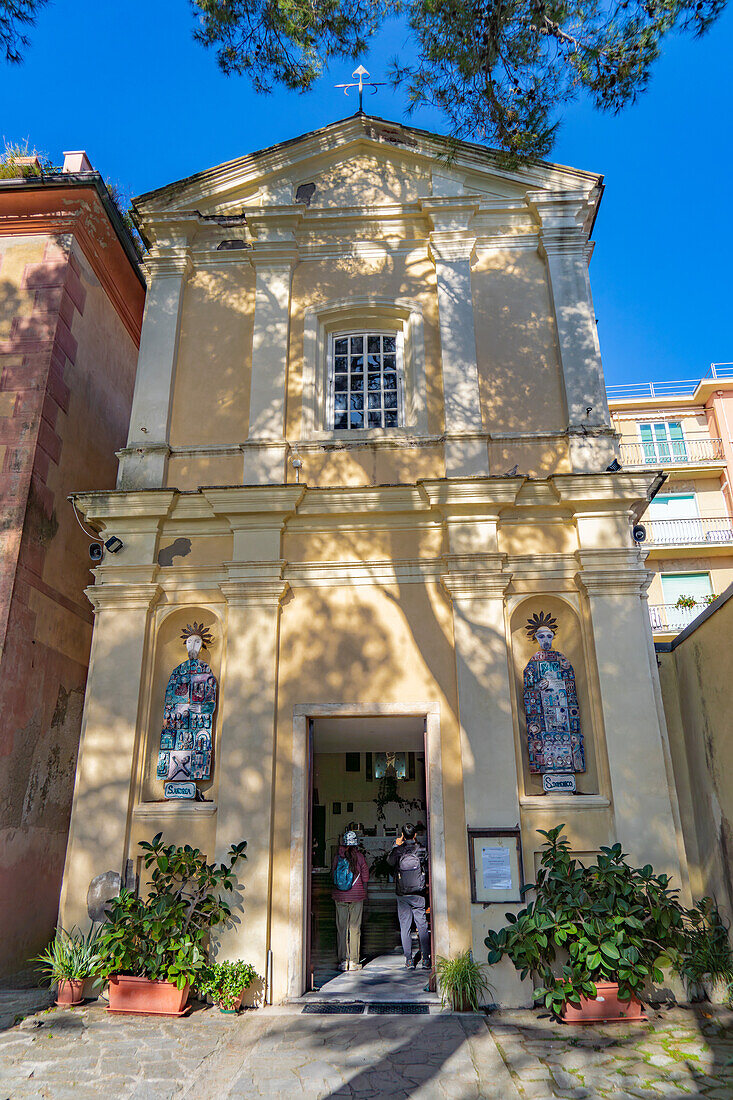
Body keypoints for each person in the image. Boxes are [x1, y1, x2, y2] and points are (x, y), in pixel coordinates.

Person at [387, 822, 431, 969]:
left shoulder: (398, 851)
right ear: (415, 835)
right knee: (422, 925)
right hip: (418, 893)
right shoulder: (422, 850)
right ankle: (425, 959)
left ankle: (408, 960)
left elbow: (389, 862)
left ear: (402, 836)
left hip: (402, 893)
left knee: (405, 926)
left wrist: (395, 845)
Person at [331, 829, 369, 971]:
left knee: (341, 929)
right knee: (354, 929)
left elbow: (333, 875)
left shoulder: (337, 857)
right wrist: (364, 892)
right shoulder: (359, 857)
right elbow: (365, 877)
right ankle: (353, 961)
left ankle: (343, 961)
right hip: (357, 896)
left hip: (340, 897)